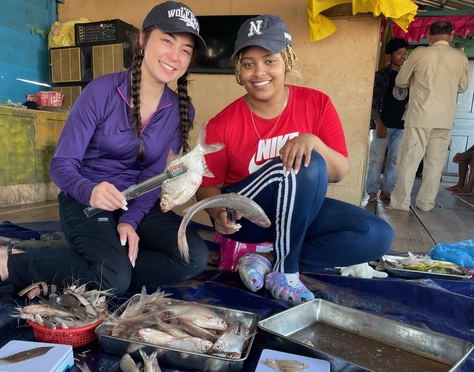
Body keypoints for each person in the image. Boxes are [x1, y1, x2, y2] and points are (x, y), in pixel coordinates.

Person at [0, 1, 209, 298]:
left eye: (185, 49)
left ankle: (75, 272)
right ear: (143, 40)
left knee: (192, 255)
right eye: (166, 41)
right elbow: (62, 165)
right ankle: (10, 262)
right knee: (113, 277)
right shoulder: (101, 92)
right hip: (86, 201)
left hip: (136, 203)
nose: (174, 56)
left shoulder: (181, 110)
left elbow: (154, 174)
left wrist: (131, 221)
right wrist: (90, 191)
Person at [196, 15, 394, 303]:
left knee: (376, 235)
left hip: (297, 215)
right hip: (248, 218)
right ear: (239, 71)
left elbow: (338, 173)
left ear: (286, 61)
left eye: (269, 60)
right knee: (306, 164)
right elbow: (207, 186)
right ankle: (286, 273)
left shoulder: (317, 104)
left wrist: (315, 142)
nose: (259, 72)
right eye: (249, 63)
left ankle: (269, 259)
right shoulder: (222, 123)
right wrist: (217, 216)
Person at [388, 20, 469, 212]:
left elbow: (400, 80)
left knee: (409, 160)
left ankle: (400, 203)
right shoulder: (460, 57)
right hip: (445, 119)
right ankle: (426, 204)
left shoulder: (420, 53)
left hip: (419, 116)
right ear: (451, 36)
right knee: (435, 164)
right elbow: (463, 87)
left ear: (429, 37)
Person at [365, 38, 409, 203]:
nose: (402, 56)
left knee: (395, 160)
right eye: (399, 53)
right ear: (390, 55)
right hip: (383, 125)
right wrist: (378, 122)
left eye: (405, 53)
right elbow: (374, 100)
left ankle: (387, 190)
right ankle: (372, 192)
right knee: (376, 159)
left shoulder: (410, 77)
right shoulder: (381, 76)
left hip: (403, 126)